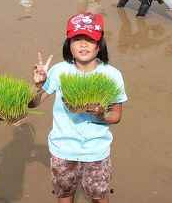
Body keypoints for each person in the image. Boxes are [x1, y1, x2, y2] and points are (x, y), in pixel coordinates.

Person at [29, 12, 128, 203]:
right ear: (68, 44)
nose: (83, 44)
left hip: (96, 150)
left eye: (90, 39)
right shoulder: (59, 71)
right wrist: (38, 85)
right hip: (63, 149)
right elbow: (33, 103)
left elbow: (116, 115)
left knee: (99, 195)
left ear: (100, 44)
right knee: (65, 194)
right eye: (77, 38)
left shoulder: (112, 75)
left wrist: (101, 115)